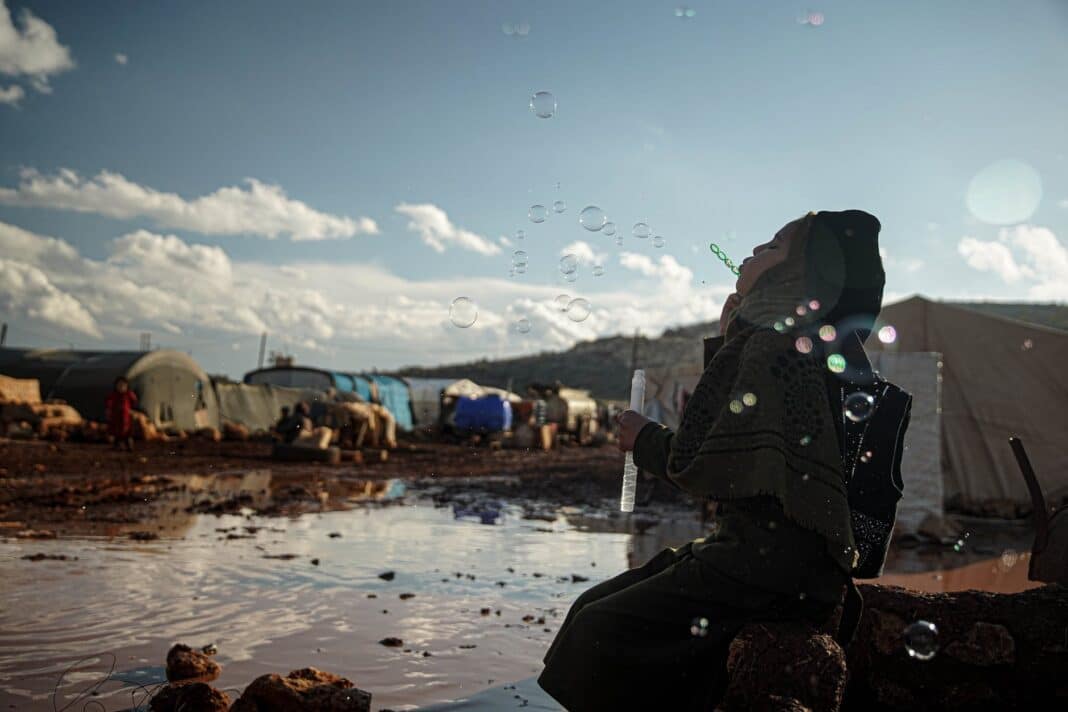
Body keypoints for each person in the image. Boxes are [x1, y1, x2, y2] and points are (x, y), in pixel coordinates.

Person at [538, 210, 887, 710]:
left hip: (765, 566)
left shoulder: (772, 345)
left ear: (798, 275)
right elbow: (737, 430)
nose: (754, 250)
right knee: (589, 606)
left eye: (773, 246)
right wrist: (730, 337)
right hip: (783, 562)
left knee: (596, 628)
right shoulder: (806, 343)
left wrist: (642, 438)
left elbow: (704, 460)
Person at [105, 376, 138, 451]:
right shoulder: (114, 395)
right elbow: (108, 402)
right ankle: (118, 446)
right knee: (117, 433)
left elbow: (134, 401)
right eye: (119, 385)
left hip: (126, 417)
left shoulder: (128, 394)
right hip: (116, 417)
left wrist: (133, 410)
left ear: (127, 386)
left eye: (123, 386)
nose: (121, 387)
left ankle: (129, 446)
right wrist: (108, 411)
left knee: (127, 433)